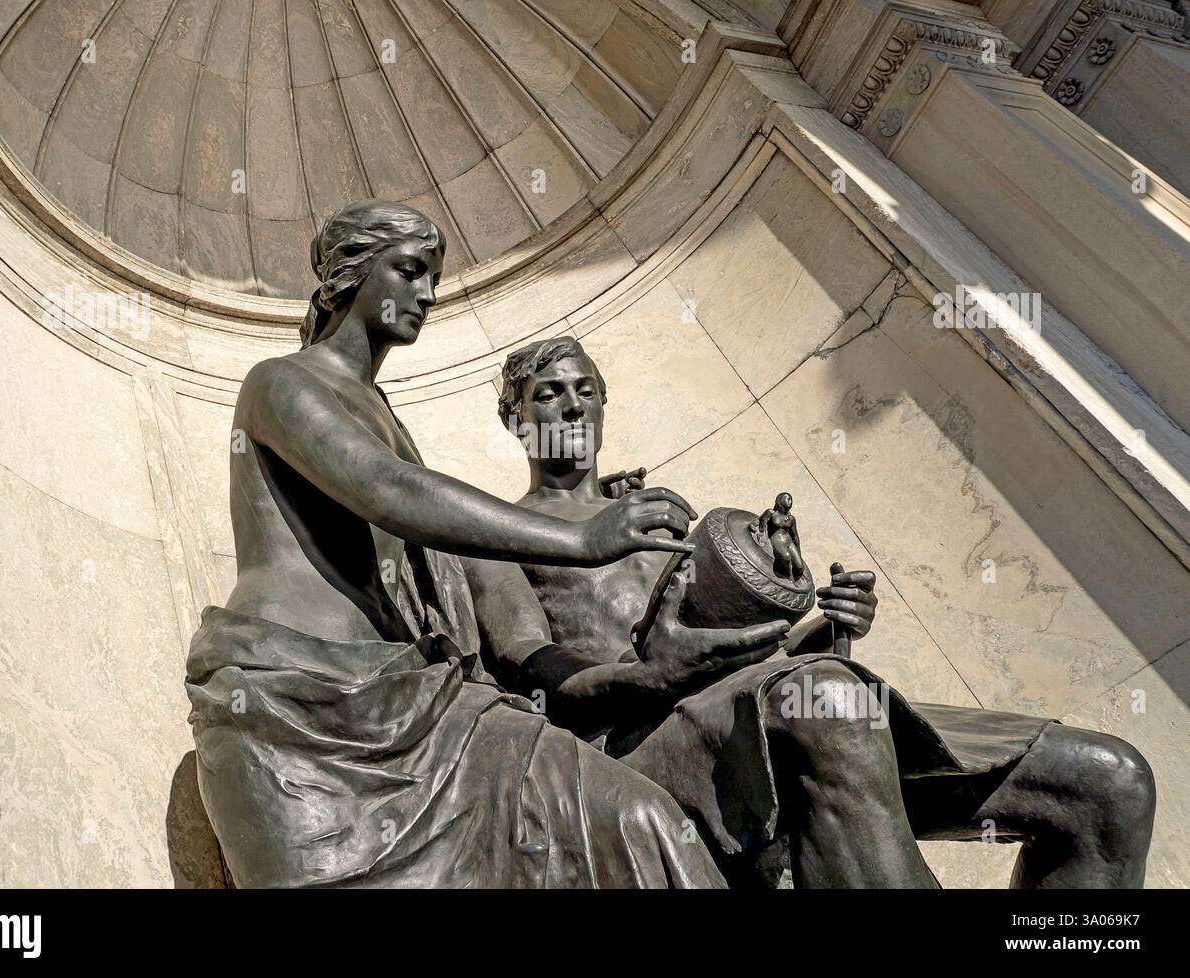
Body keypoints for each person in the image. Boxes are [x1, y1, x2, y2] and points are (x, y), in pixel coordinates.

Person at [462, 335, 1158, 888]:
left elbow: (747, 657)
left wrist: (828, 624)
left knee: (1106, 782)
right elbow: (541, 684)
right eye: (548, 395)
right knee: (822, 698)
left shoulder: (661, 517)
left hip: (771, 715)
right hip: (642, 752)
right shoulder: (498, 537)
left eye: (586, 390)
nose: (572, 406)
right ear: (512, 418)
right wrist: (655, 677)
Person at [184, 200, 731, 888]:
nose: (428, 294)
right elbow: (389, 492)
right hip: (298, 711)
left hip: (426, 707)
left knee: (642, 821)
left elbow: (442, 555)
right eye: (410, 271)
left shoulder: (388, 418)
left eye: (434, 277)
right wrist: (581, 538)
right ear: (349, 275)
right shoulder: (282, 382)